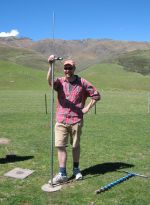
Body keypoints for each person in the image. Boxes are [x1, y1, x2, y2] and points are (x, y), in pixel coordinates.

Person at [47, 55, 101, 185]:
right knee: (60, 146)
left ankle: (76, 170)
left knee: (75, 146)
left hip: (76, 120)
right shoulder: (59, 82)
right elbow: (49, 81)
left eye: (70, 68)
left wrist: (87, 108)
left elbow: (96, 95)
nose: (67, 70)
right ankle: (62, 174)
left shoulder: (82, 82)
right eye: (65, 68)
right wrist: (50, 65)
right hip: (61, 119)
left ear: (74, 68)